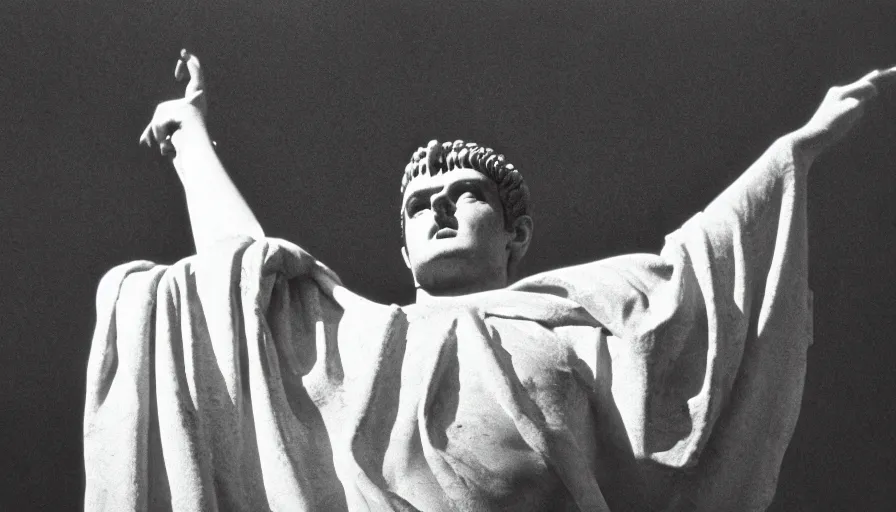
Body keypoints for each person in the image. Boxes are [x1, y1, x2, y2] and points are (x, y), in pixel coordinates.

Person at [83, 50, 896, 511]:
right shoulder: (365, 338)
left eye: (463, 197)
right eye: (419, 206)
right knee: (150, 289)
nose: (437, 211)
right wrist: (189, 138)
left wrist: (799, 150)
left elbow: (700, 279)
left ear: (517, 235)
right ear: (402, 253)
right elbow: (238, 289)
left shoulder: (584, 316)